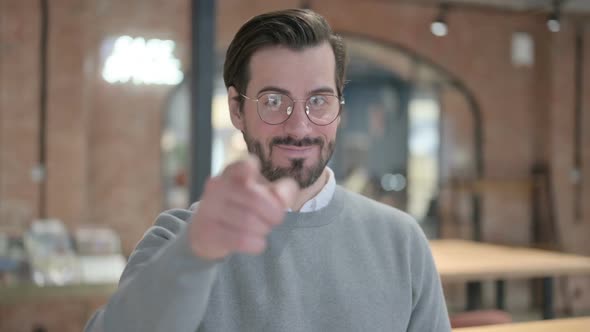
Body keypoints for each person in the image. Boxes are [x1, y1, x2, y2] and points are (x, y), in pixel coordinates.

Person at [84, 9, 451, 332]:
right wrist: (195, 255)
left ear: (339, 107)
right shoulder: (178, 239)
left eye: (319, 101)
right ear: (236, 109)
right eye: (274, 101)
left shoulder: (401, 241)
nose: (300, 127)